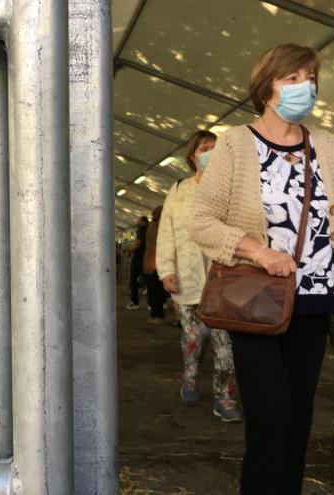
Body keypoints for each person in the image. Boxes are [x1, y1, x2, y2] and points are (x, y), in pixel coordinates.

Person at [188, 44, 334, 494]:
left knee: (300, 417)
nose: (305, 86)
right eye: (292, 78)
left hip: (314, 297)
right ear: (267, 88)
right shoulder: (236, 144)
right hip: (258, 297)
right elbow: (201, 220)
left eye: (310, 77)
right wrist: (257, 251)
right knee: (271, 415)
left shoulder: (326, 144)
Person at [157, 130, 240, 422]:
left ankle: (224, 397)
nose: (211, 153)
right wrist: (166, 270)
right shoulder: (179, 190)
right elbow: (166, 232)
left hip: (223, 282)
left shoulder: (232, 188)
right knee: (192, 342)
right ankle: (190, 379)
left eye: (216, 148)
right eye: (205, 148)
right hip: (190, 278)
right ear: (192, 155)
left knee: (225, 346)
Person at [143, 206, 168, 322]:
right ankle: (156, 315)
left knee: (156, 290)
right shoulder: (154, 228)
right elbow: (160, 243)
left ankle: (157, 314)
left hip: (153, 263)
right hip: (153, 264)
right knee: (155, 291)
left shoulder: (153, 227)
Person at [126, 216, 148, 309]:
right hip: (147, 258)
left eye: (138, 220)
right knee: (150, 280)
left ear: (143, 222)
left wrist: (130, 251)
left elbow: (137, 244)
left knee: (133, 280)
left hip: (138, 259)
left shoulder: (141, 230)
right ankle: (153, 304)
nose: (137, 222)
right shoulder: (150, 230)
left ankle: (134, 302)